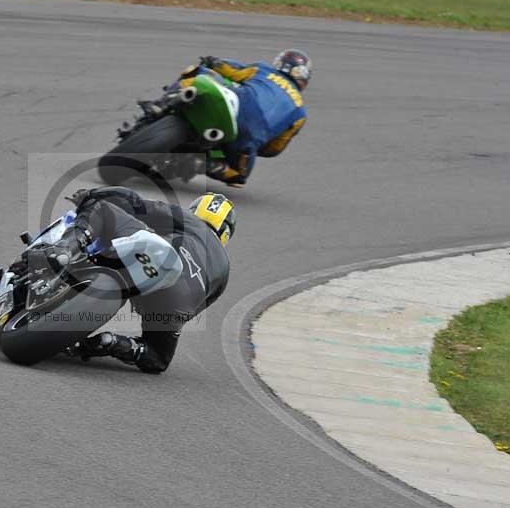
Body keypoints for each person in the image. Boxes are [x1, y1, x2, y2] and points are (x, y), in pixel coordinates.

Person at [28, 186, 233, 373]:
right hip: (178, 303)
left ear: (195, 210)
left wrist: (92, 195)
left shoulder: (188, 219)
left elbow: (138, 204)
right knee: (158, 358)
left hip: (156, 261)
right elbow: (198, 307)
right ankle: (116, 344)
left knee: (103, 208)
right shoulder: (225, 270)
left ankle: (65, 249)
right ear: (225, 233)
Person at [177, 49, 312, 188]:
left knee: (198, 72)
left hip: (237, 105)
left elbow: (230, 70)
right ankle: (203, 162)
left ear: (280, 63)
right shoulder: (300, 113)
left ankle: (160, 106)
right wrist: (256, 143)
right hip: (247, 139)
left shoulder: (264, 70)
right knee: (238, 175)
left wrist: (213, 63)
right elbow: (274, 148)